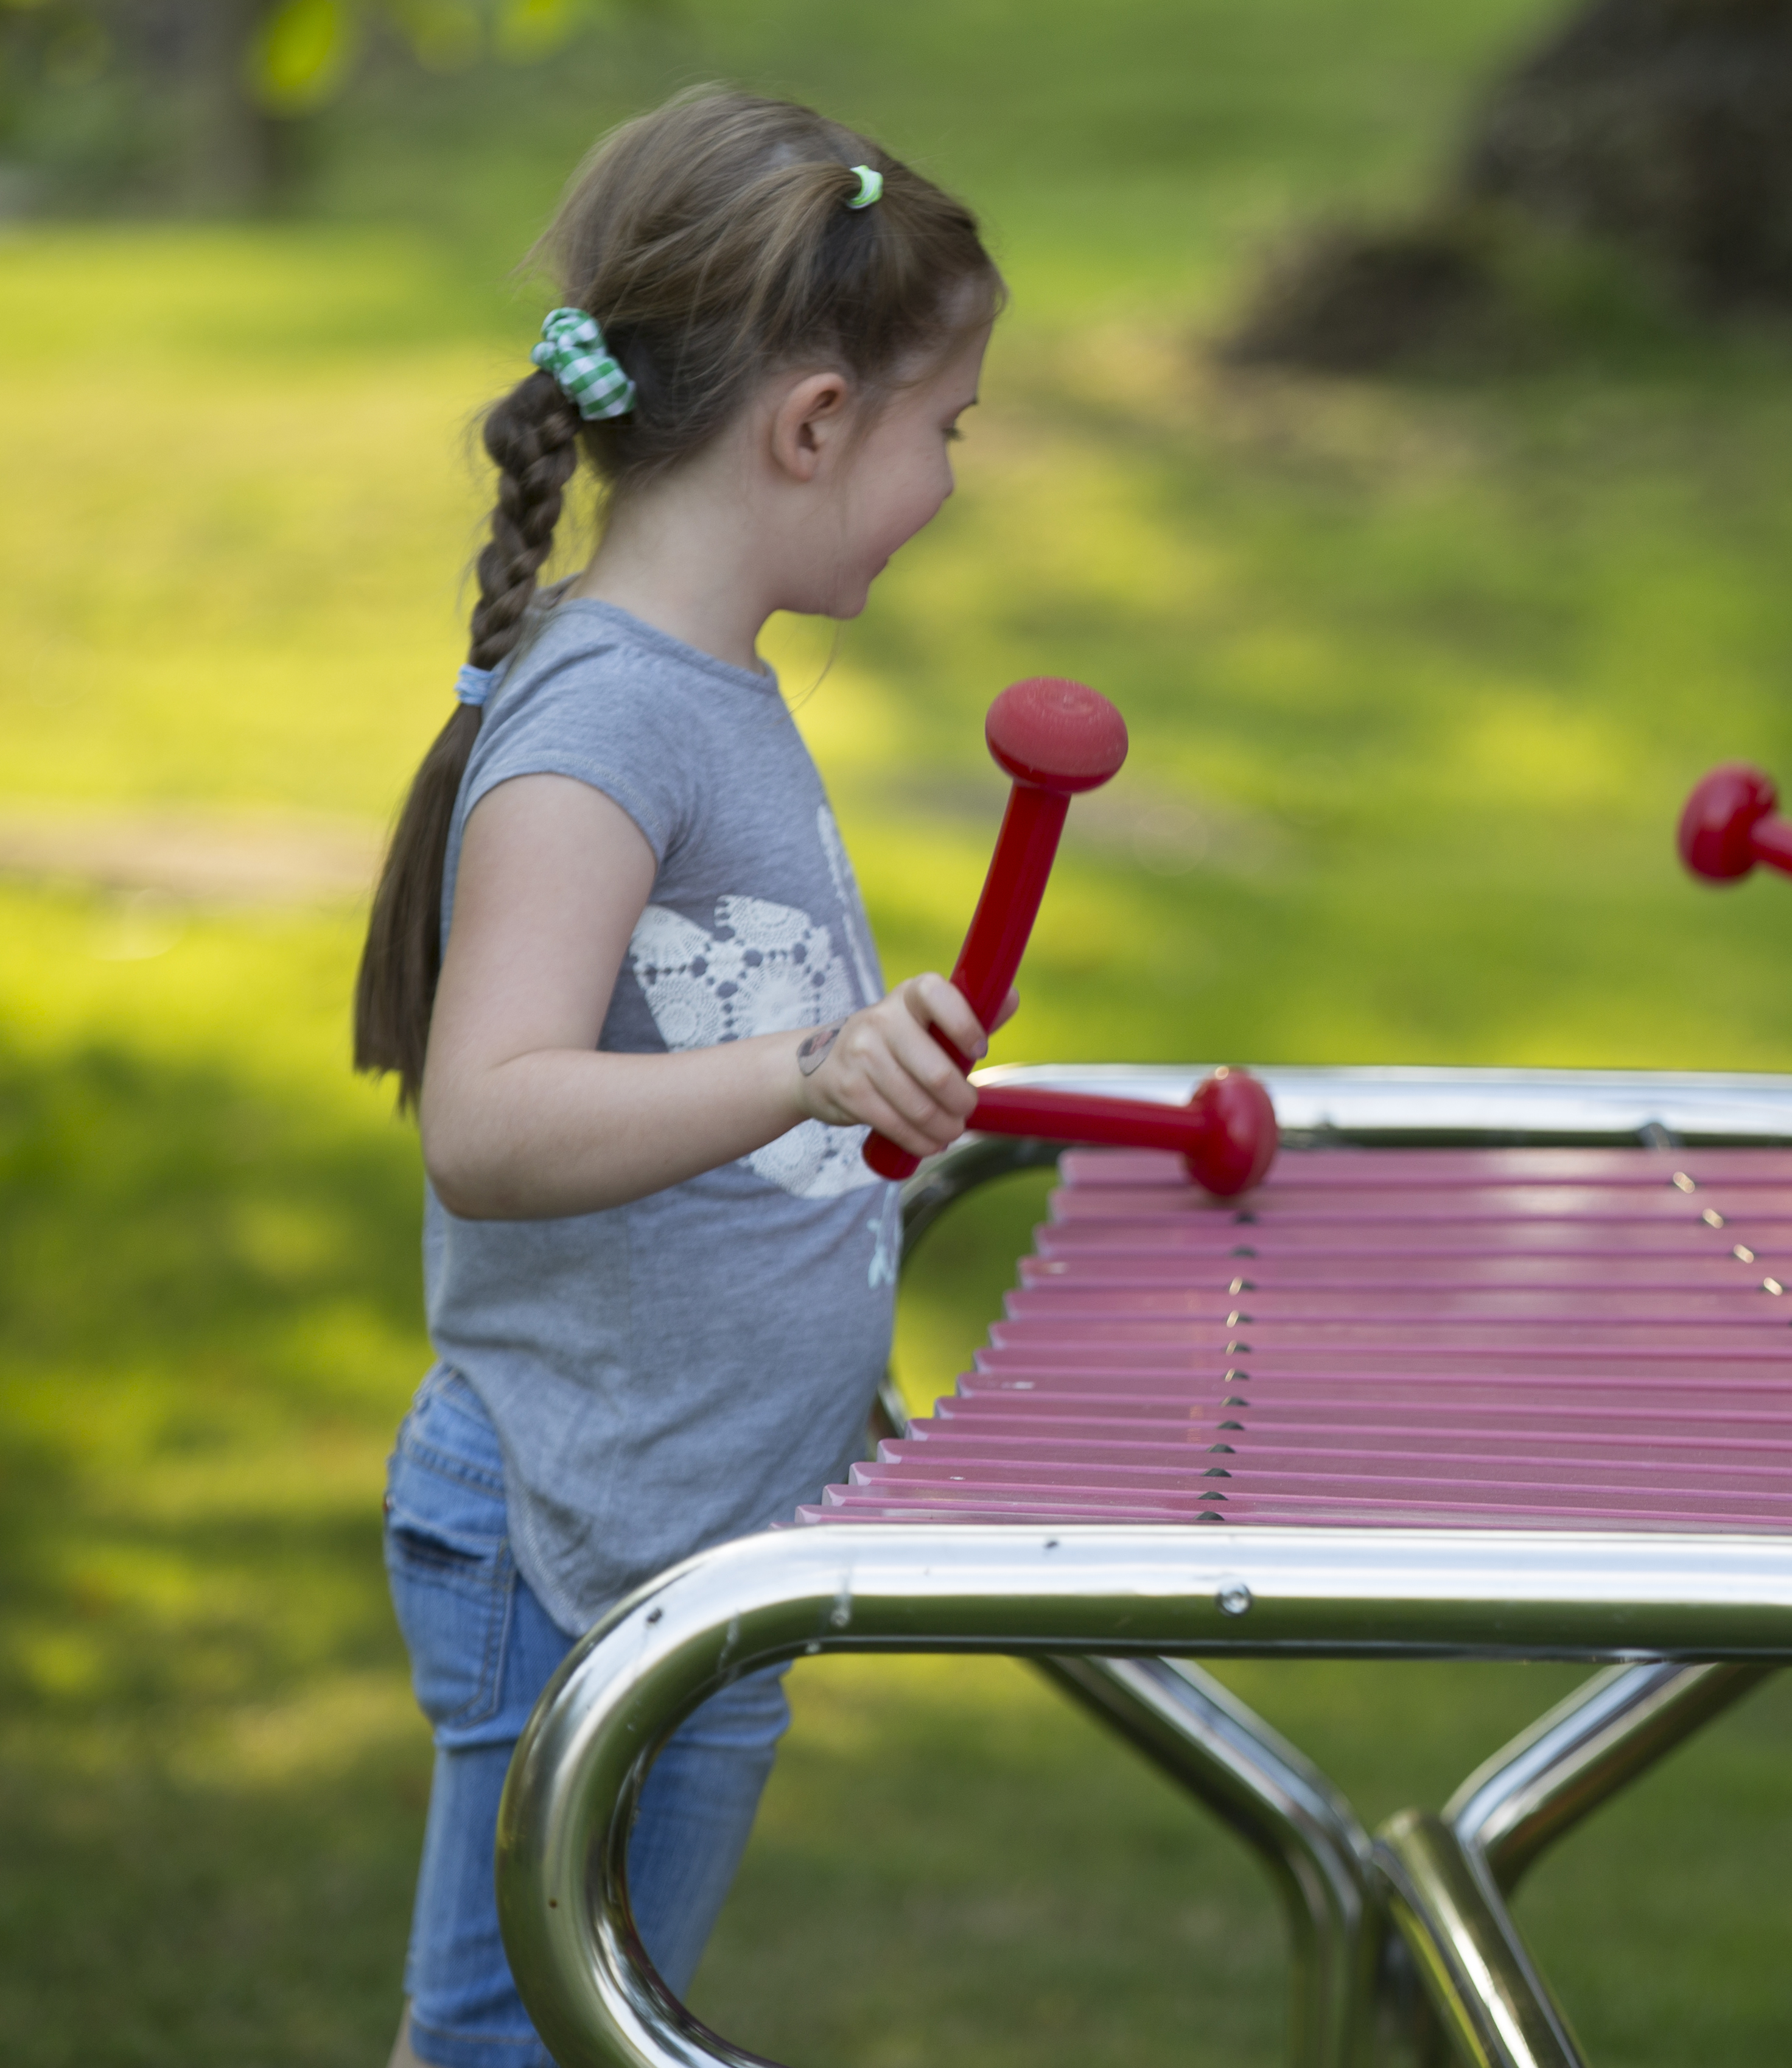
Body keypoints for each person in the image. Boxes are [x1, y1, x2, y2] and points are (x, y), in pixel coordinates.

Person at [349, 89, 1008, 2068]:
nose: (953, 480)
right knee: (518, 2047)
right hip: (575, 1537)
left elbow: (716, 1061)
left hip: (693, 1534)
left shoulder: (703, 688)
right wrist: (813, 1066)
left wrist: (886, 1082)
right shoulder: (615, 716)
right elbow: (490, 1123)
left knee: (587, 2036)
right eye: (946, 429)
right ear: (812, 424)